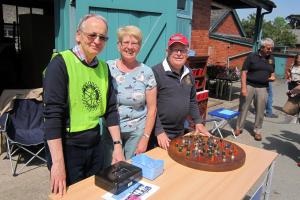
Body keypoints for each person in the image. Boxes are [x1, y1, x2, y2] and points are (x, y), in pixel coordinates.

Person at [43, 14, 125, 196]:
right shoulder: (60, 64)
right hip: (68, 148)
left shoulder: (104, 68)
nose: (97, 41)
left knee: (93, 193)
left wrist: (118, 146)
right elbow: (52, 116)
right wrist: (57, 163)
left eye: (102, 37)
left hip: (95, 145)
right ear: (78, 35)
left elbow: (111, 110)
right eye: (92, 35)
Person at [102, 25, 157, 163]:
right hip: (111, 131)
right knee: (110, 169)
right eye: (125, 42)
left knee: (131, 169)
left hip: (136, 131)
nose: (130, 47)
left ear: (139, 46)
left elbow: (152, 109)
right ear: (118, 45)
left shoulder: (147, 72)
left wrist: (145, 137)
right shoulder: (107, 68)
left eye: (134, 43)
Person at [151, 33, 211, 150]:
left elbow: (192, 100)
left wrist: (198, 122)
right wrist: (158, 131)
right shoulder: (155, 72)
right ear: (167, 51)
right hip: (160, 134)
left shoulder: (188, 73)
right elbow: (150, 106)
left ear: (187, 53)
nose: (179, 53)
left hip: (180, 130)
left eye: (182, 50)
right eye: (175, 50)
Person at [234, 38, 275, 141]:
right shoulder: (252, 56)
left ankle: (257, 131)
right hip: (249, 85)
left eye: (271, 48)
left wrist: (273, 77)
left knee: (260, 110)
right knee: (243, 107)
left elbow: (272, 72)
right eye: (268, 48)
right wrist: (243, 88)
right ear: (262, 47)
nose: (270, 50)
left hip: (263, 87)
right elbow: (244, 72)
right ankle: (239, 127)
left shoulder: (271, 58)